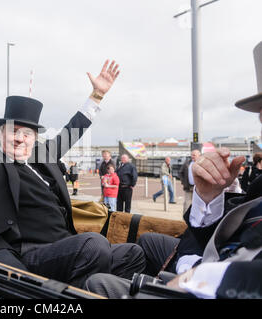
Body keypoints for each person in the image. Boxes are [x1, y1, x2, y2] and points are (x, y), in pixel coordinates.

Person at [0, 16, 145, 288]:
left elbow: (74, 129)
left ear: (35, 138)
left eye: (27, 133)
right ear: (1, 133)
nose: (20, 138)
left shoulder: (43, 157)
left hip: (68, 250)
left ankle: (96, 289)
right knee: (95, 246)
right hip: (27, 256)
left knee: (134, 253)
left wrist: (96, 96)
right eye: (14, 131)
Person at [84, 41, 262, 299]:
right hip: (211, 265)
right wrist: (209, 196)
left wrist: (195, 275)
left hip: (219, 283)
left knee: (98, 284)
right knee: (142, 244)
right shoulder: (257, 188)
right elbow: (224, 236)